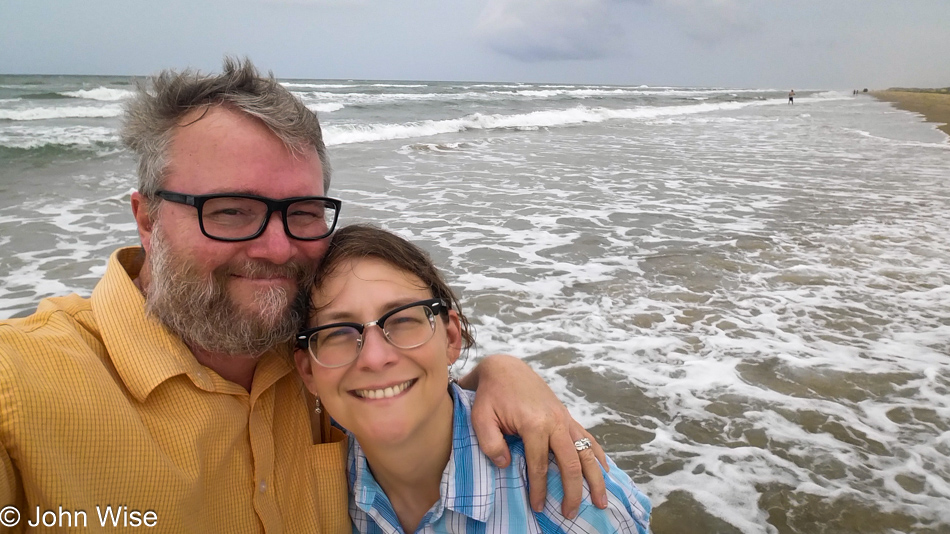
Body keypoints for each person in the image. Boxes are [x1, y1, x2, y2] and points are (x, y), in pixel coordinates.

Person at [0, 58, 607, 532]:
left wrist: (497, 372)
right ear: (147, 218)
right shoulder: (20, 390)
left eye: (303, 212)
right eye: (230, 211)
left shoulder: (322, 360)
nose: (275, 247)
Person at [294, 225, 651, 533]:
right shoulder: (320, 480)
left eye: (402, 320)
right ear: (308, 371)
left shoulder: (567, 496)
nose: (374, 357)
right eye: (338, 332)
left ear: (451, 338)